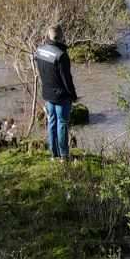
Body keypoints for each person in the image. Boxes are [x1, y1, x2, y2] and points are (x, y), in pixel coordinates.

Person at [33, 24, 78, 160]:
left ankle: (54, 154)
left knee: (52, 122)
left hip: (47, 94)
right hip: (61, 96)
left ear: (48, 35)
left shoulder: (40, 51)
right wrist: (73, 95)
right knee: (62, 123)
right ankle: (64, 156)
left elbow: (42, 71)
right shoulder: (61, 55)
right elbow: (67, 79)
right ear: (62, 36)